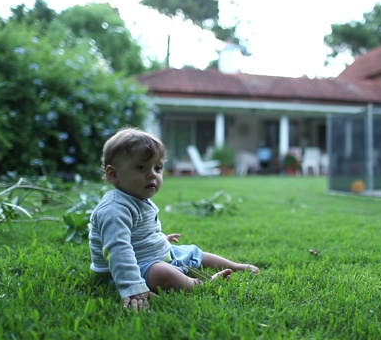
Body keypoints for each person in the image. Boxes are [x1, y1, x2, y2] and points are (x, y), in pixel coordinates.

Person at [89, 127, 259, 310]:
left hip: (152, 254)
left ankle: (234, 265)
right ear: (113, 174)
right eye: (141, 167)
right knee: (162, 273)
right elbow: (118, 250)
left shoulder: (136, 198)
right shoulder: (114, 209)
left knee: (193, 251)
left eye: (158, 168)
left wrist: (158, 239)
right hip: (125, 271)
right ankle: (200, 284)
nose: (152, 174)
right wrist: (132, 288)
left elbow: (137, 233)